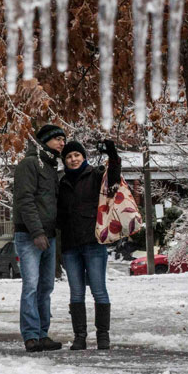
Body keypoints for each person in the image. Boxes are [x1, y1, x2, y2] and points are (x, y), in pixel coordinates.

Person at [57, 139, 121, 350]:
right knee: (76, 292)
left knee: (98, 289)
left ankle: (103, 335)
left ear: (83, 157)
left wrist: (112, 154)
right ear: (64, 161)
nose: (73, 159)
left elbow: (113, 180)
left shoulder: (95, 175)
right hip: (70, 246)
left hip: (93, 243)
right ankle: (80, 336)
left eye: (76, 155)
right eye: (68, 156)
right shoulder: (62, 183)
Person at [13, 124, 66, 353]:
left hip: (49, 236)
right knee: (32, 286)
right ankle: (31, 336)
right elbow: (25, 200)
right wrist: (36, 232)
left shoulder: (52, 167)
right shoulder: (30, 164)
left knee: (46, 287)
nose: (62, 143)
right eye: (57, 139)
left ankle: (43, 333)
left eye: (64, 139)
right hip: (30, 235)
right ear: (44, 141)